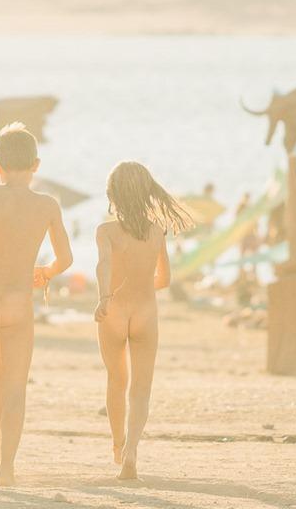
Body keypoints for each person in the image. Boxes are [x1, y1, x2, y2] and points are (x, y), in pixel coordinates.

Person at [0, 123, 72, 486]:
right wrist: (46, 272)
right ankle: (7, 465)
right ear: (36, 165)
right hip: (17, 301)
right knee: (15, 385)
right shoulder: (47, 205)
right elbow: (65, 258)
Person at [94, 161, 194, 480]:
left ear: (112, 195)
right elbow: (164, 279)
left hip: (113, 310)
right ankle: (132, 451)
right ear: (147, 193)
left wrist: (104, 297)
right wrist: (141, 282)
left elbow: (103, 265)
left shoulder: (106, 231)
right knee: (141, 387)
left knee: (116, 380)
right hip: (145, 313)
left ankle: (117, 443)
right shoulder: (155, 232)